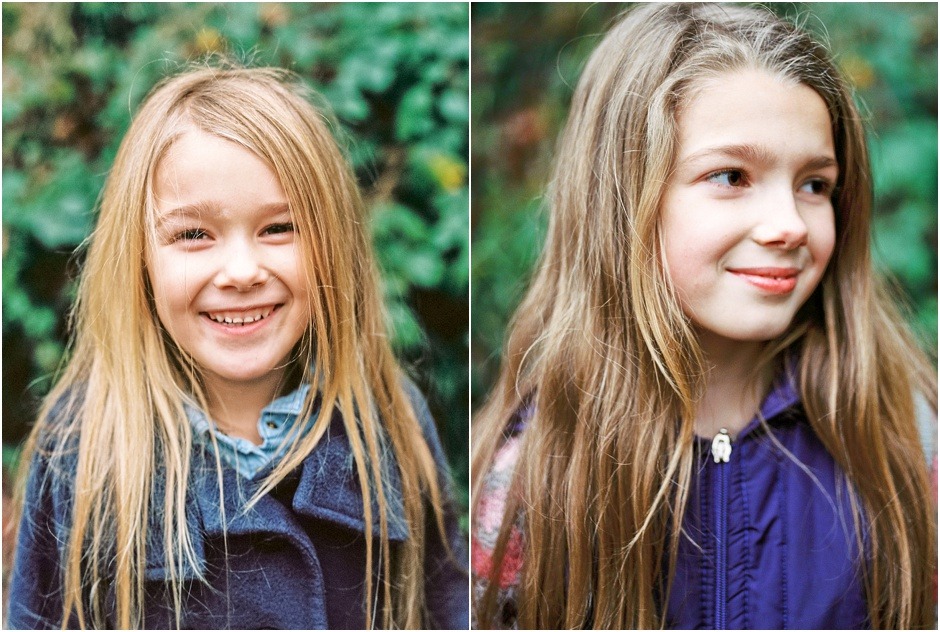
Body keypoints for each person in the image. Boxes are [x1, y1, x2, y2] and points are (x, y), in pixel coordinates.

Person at [471, 3, 937, 629]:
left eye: (815, 184)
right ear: (625, 199)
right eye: (731, 176)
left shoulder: (900, 437)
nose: (790, 225)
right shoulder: (537, 473)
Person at [7, 66, 468, 630]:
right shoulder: (80, 447)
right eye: (193, 235)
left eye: (279, 228)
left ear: (333, 244)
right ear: (140, 259)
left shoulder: (391, 421)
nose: (242, 272)